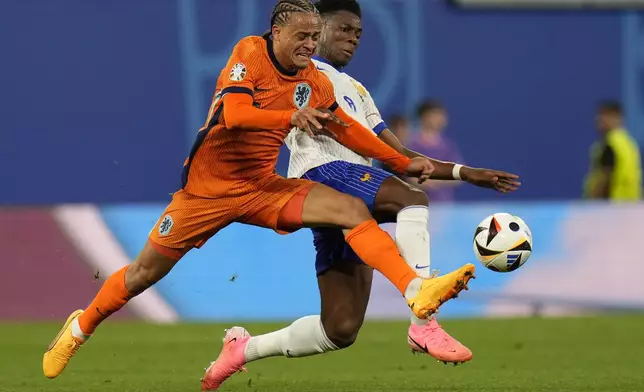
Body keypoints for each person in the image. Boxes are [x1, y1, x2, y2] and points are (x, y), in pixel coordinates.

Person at [42, 0, 477, 382]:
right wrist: (289, 117)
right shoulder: (249, 53)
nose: (309, 45)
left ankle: (416, 291)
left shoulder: (316, 82)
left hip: (261, 187)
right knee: (142, 275)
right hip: (205, 194)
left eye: (314, 37)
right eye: (301, 36)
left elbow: (348, 132)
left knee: (349, 210)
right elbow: (234, 114)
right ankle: (80, 329)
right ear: (277, 32)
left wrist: (403, 163)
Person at [200, 0, 521, 389]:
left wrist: (465, 173)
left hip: (351, 192)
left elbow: (398, 155)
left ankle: (241, 350)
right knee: (411, 200)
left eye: (358, 34)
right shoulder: (301, 70)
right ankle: (423, 320)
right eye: (344, 29)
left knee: (339, 329)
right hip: (320, 173)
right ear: (317, 29)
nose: (352, 39)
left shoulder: (358, 92)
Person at [407, 99, 465, 202]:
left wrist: (437, 182)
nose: (441, 119)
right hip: (418, 205)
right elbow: (408, 177)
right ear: (424, 117)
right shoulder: (411, 145)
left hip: (445, 206)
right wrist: (424, 183)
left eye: (442, 115)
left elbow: (460, 175)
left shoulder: (448, 146)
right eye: (436, 115)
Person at [583, 100, 642, 201]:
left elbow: (605, 177)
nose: (599, 120)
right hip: (631, 206)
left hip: (612, 207)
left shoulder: (611, 144)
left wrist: (590, 203)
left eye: (605, 116)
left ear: (617, 118)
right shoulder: (629, 143)